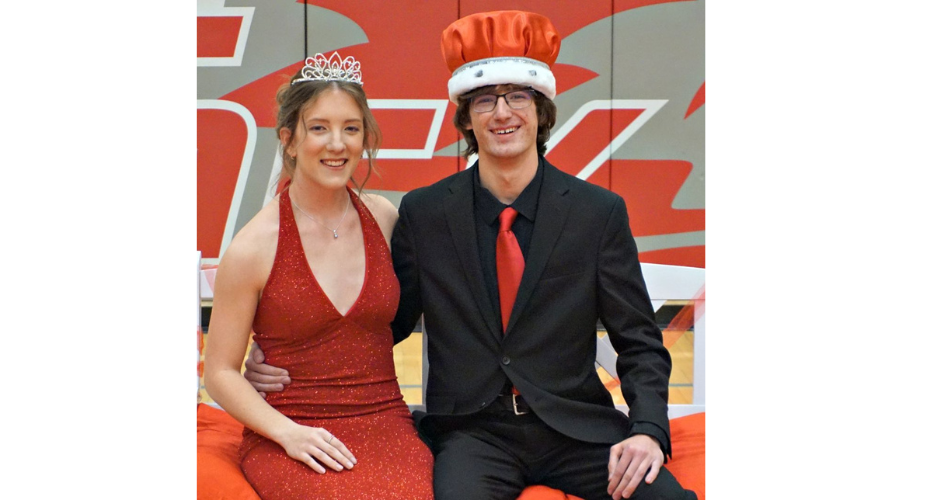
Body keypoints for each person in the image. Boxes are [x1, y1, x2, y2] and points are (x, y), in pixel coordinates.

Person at [247, 12, 697, 500]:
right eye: (485, 100)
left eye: (517, 96)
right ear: (466, 118)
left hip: (578, 431)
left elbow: (639, 340)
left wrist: (648, 430)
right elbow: (384, 323)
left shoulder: (597, 213)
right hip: (472, 435)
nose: (502, 113)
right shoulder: (424, 214)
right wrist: (289, 351)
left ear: (540, 110)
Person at [204, 52, 433, 500]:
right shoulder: (253, 247)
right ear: (289, 140)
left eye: (351, 128)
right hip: (290, 432)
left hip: (385, 420)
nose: (337, 144)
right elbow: (220, 372)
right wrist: (288, 434)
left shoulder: (384, 219)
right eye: (319, 128)